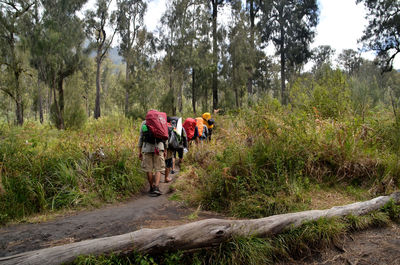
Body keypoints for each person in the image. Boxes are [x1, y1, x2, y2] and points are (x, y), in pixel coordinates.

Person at [138, 112, 167, 196]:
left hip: (146, 148)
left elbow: (141, 137)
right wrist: (165, 149)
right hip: (159, 147)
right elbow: (165, 136)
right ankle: (157, 188)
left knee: (148, 169)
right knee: (159, 168)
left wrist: (139, 151)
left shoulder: (144, 123)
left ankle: (151, 187)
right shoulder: (161, 121)